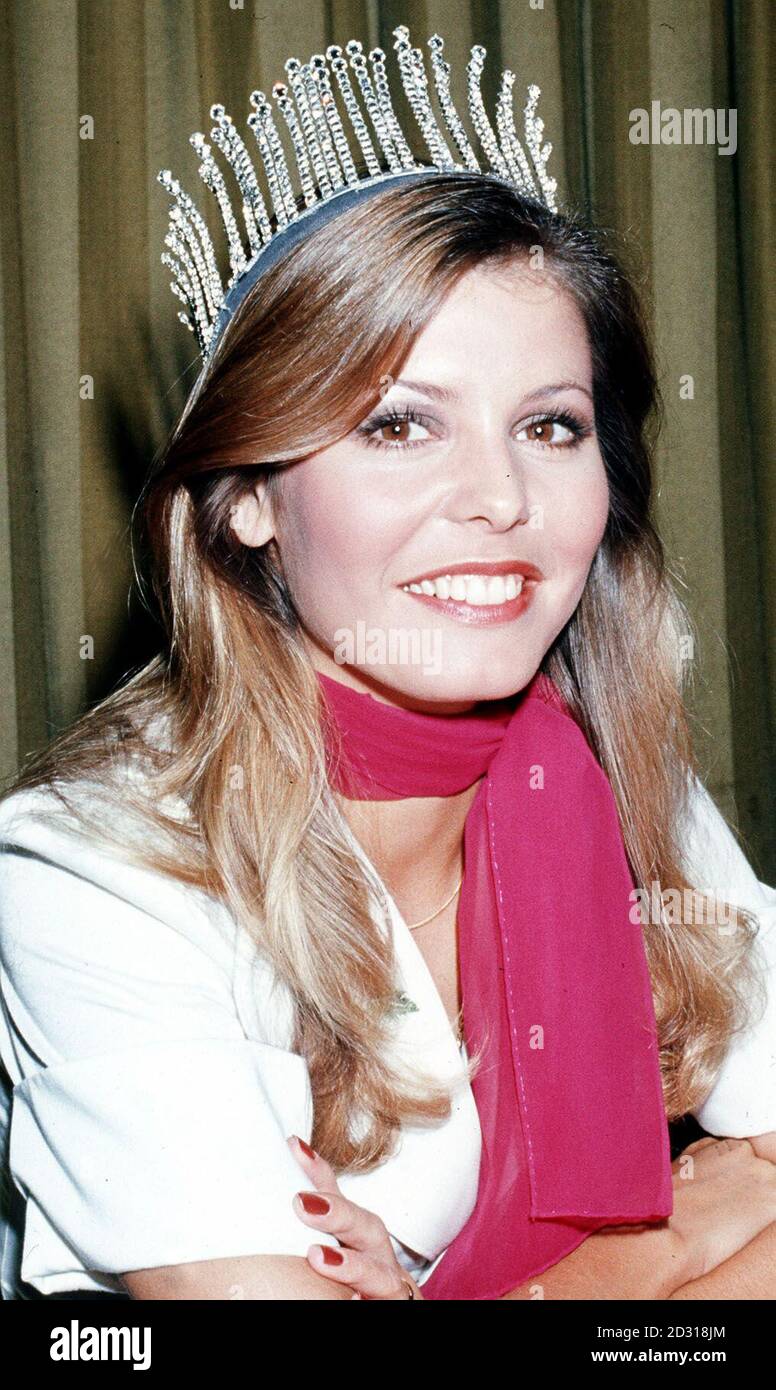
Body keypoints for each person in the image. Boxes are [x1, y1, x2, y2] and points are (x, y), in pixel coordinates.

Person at [1, 29, 775, 1302]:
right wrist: (711, 1211)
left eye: (549, 424)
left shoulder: (612, 773)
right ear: (245, 499)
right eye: (399, 423)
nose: (499, 497)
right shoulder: (90, 862)